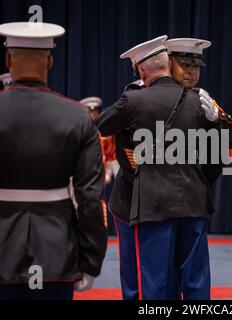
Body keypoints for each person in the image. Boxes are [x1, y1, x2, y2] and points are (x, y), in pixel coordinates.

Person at [97, 35, 232, 300]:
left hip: (157, 200)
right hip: (135, 198)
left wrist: (218, 123)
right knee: (146, 276)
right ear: (169, 64)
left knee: (158, 279)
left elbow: (221, 154)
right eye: (185, 66)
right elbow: (126, 155)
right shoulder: (139, 94)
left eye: (195, 67)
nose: (192, 73)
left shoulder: (200, 101)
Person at [0, 22, 107, 300]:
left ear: (8, 59)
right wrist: (91, 260)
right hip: (56, 254)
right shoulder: (78, 116)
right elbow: (89, 198)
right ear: (50, 61)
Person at [80, 97, 118, 233]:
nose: (92, 115)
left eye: (95, 112)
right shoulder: (78, 132)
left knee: (98, 208)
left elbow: (110, 155)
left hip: (97, 179)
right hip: (80, 178)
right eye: (90, 112)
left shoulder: (104, 134)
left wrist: (108, 173)